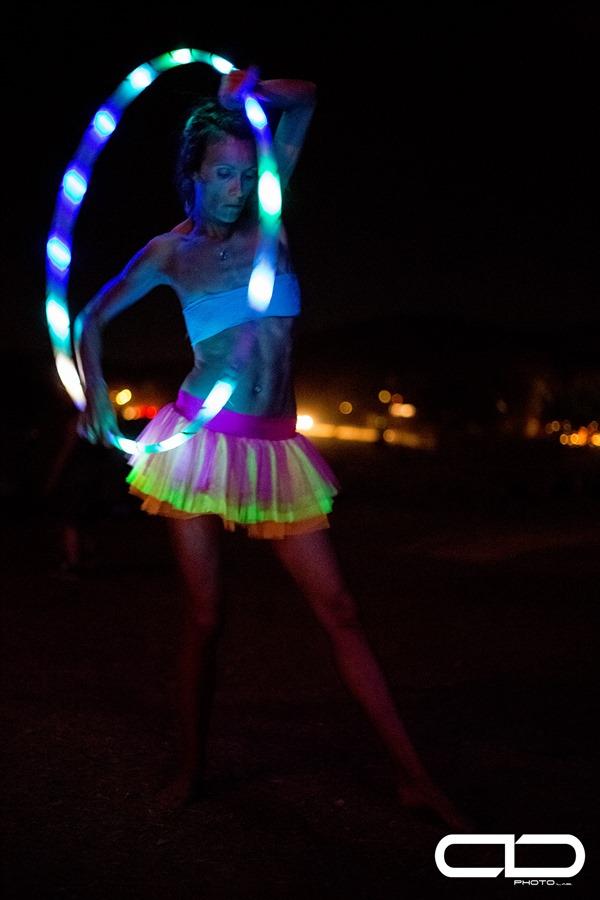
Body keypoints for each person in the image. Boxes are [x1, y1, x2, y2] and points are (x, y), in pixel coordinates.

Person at [75, 67, 471, 828]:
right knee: (205, 616)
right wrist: (95, 397)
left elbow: (308, 98)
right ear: (193, 177)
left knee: (341, 609)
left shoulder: (270, 216)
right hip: (199, 442)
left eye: (244, 173)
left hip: (275, 445)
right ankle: (191, 766)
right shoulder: (168, 253)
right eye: (223, 175)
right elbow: (89, 318)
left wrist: (247, 90)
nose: (237, 188)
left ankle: (414, 776)